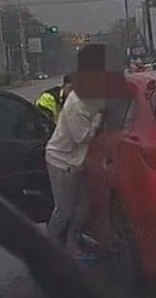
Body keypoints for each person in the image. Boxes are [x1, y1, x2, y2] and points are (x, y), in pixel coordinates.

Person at [44, 68, 104, 260]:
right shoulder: (77, 104)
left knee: (83, 208)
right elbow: (81, 137)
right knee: (64, 211)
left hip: (77, 163)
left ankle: (72, 247)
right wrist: (98, 119)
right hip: (62, 161)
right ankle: (47, 250)